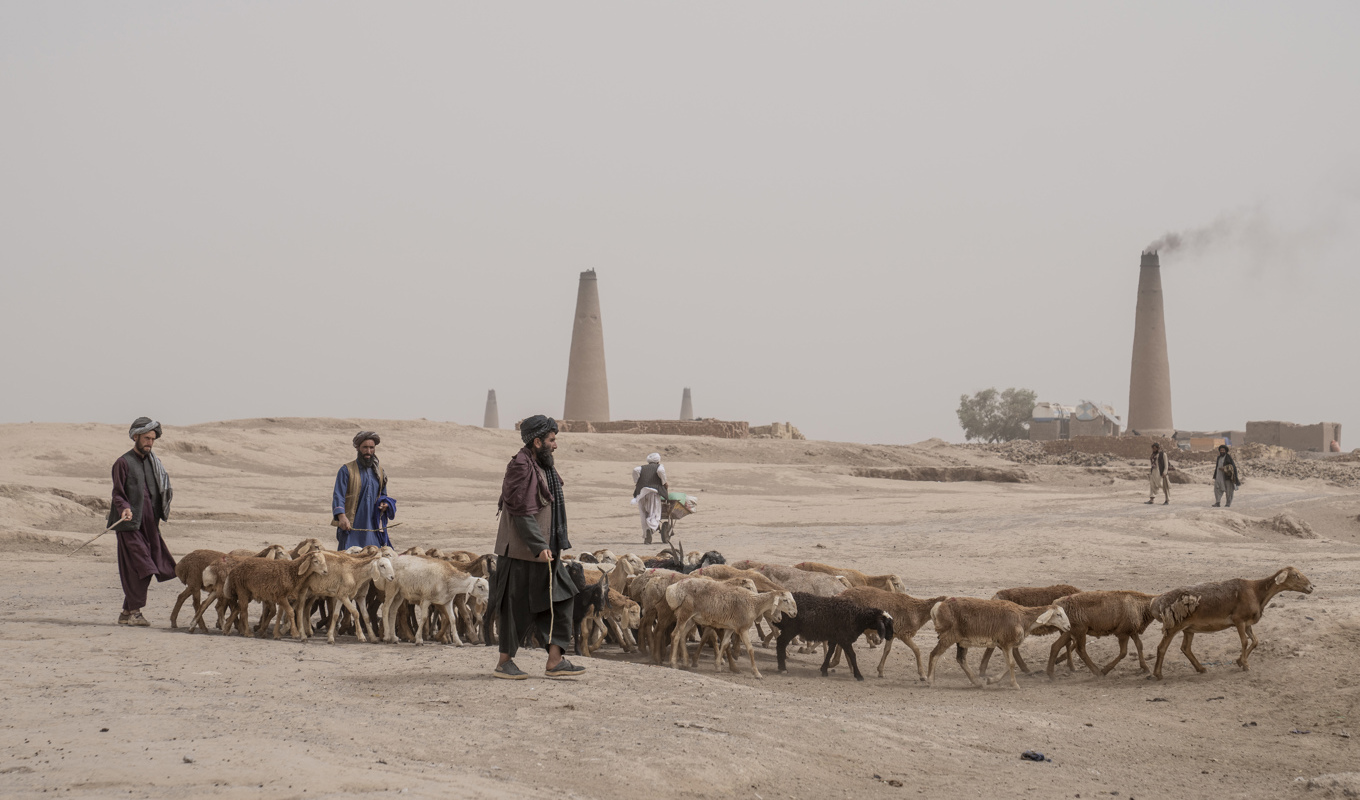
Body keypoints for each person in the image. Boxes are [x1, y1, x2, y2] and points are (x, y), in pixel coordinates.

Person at [486, 415, 583, 680]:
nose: (555, 445)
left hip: (545, 551)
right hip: (521, 551)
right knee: (514, 607)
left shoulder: (543, 466)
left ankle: (555, 660)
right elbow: (521, 511)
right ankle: (504, 662)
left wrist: (546, 546)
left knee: (562, 597)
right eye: (552, 440)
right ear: (537, 442)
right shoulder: (520, 466)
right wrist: (538, 545)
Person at [107, 417, 178, 626]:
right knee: (143, 567)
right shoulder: (122, 463)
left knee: (149, 565)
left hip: (150, 525)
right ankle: (135, 612)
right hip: (129, 525)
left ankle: (126, 613)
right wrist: (124, 508)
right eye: (146, 438)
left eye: (153, 439)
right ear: (135, 437)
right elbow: (117, 493)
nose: (150, 443)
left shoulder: (153, 463)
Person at [331, 431, 393, 550]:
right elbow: (338, 495)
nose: (368, 451)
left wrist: (385, 504)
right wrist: (342, 517)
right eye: (365, 447)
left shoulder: (380, 472)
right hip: (351, 525)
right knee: (349, 557)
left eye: (371, 448)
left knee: (373, 555)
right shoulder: (346, 470)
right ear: (358, 448)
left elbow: (383, 495)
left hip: (372, 527)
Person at [632, 452, 669, 544]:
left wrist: (636, 481)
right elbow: (661, 473)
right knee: (654, 513)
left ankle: (646, 533)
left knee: (643, 514)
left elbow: (635, 470)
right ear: (658, 461)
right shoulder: (659, 467)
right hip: (653, 492)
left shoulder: (641, 468)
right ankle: (651, 529)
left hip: (641, 493)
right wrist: (664, 483)